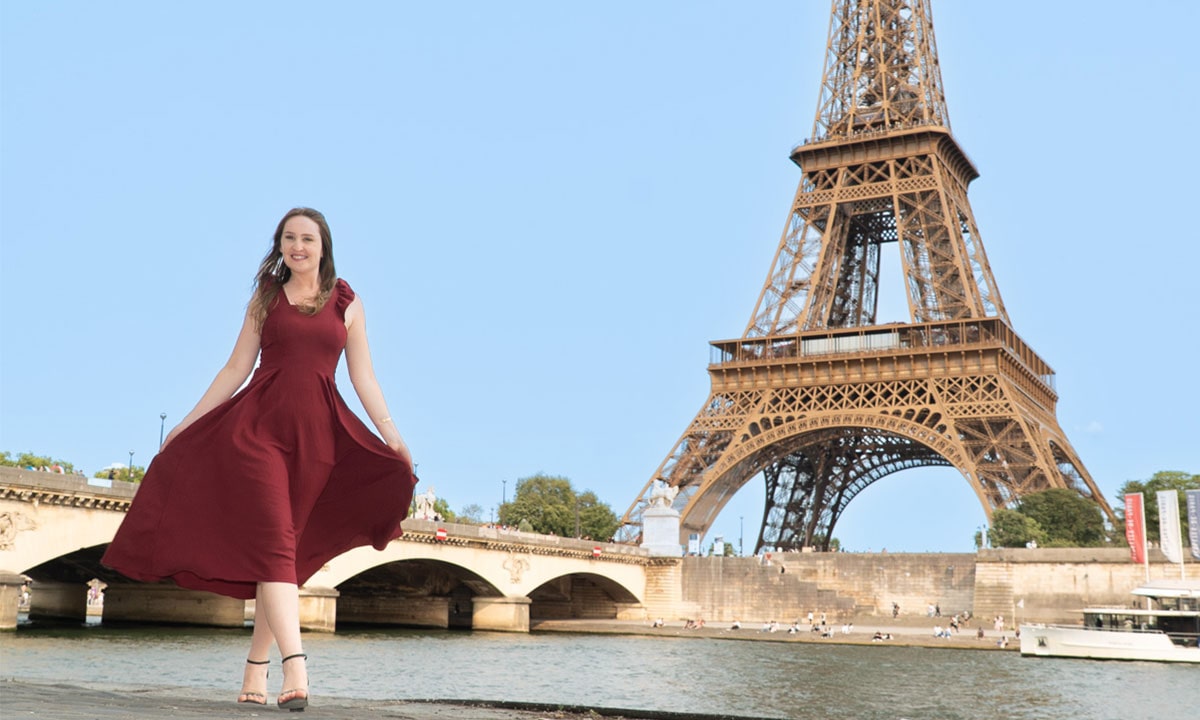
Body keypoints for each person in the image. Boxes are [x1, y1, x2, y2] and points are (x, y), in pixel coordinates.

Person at [102, 208, 416, 712]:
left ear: (323, 246)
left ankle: (254, 667)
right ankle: (296, 665)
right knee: (274, 542)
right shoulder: (266, 297)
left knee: (283, 554)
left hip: (318, 439)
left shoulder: (348, 304)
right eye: (289, 238)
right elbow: (234, 368)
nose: (298, 246)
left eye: (307, 239)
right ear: (280, 245)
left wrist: (392, 435)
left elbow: (365, 378)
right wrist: (184, 424)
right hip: (258, 432)